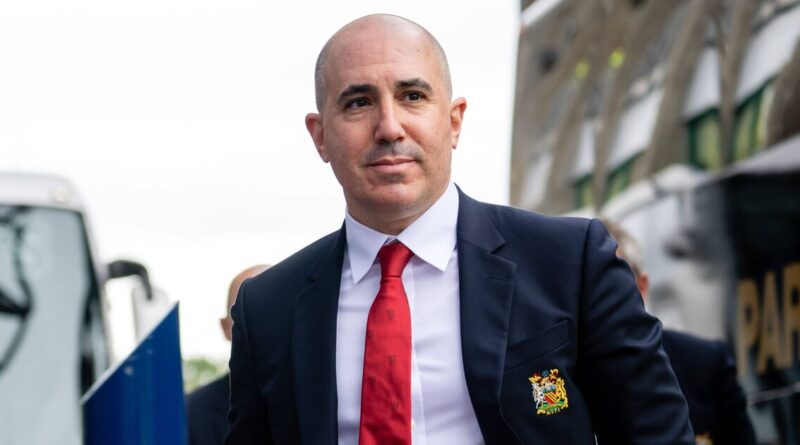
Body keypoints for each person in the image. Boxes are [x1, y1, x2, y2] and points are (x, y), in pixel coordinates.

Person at [227, 14, 693, 444]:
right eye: (359, 102)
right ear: (320, 136)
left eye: (413, 96)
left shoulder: (570, 262)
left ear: (454, 121)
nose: (389, 127)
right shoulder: (266, 310)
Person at [604, 221, 757, 445]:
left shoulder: (705, 365)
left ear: (642, 286)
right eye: (591, 289)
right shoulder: (562, 378)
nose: (603, 301)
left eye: (613, 285)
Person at [185, 265, 268, 445]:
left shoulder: (323, 397)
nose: (263, 328)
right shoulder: (190, 415)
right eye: (246, 314)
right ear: (225, 327)